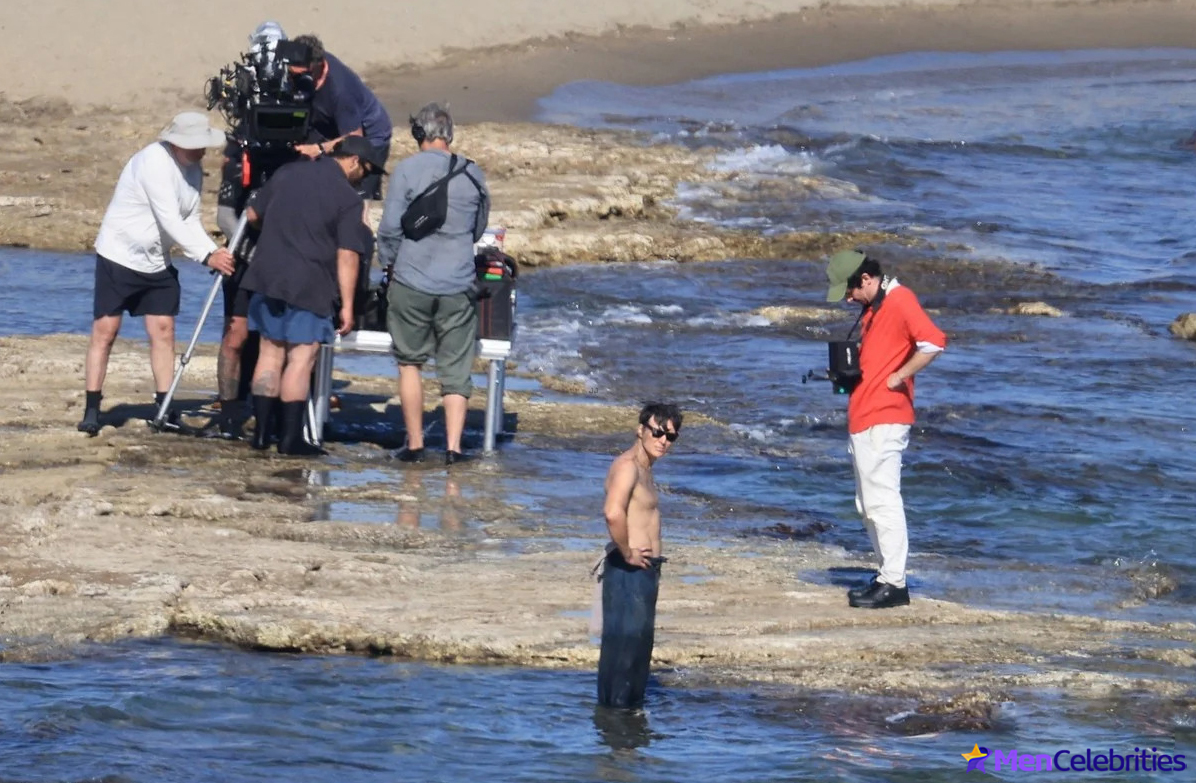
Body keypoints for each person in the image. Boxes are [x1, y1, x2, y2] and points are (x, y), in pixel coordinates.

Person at [77, 111, 236, 436]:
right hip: (119, 255)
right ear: (177, 143)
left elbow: (189, 219)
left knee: (163, 329)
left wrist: (213, 251)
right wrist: (207, 256)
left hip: (156, 260)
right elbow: (169, 219)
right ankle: (92, 409)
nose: (202, 151)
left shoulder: (193, 170)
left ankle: (164, 407)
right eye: (196, 145)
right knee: (106, 330)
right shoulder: (153, 162)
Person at [239, 136, 383, 454]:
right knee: (301, 359)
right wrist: (348, 306)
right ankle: (290, 439)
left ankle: (261, 435)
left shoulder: (288, 172)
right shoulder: (347, 199)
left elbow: (252, 215)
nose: (365, 179)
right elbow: (348, 255)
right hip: (309, 283)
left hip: (267, 275)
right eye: (367, 170)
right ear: (354, 161)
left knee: (269, 354)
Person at [824, 250, 947, 609]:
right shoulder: (875, 307)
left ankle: (894, 583)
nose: (848, 299)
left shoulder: (900, 300)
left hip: (885, 416)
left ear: (866, 279)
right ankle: (885, 576)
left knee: (882, 501)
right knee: (868, 504)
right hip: (866, 415)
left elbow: (934, 342)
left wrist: (899, 376)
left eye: (850, 291)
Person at [376, 103, 490, 465]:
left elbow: (390, 228)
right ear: (449, 135)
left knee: (410, 363)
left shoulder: (406, 170)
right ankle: (454, 449)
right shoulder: (472, 172)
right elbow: (478, 228)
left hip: (411, 279)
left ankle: (415, 445)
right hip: (458, 283)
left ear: (419, 134)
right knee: (456, 371)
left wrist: (389, 264)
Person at [211, 20, 300, 438]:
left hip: (288, 258)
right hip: (246, 257)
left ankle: (284, 410)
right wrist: (247, 251)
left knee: (286, 338)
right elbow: (225, 214)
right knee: (236, 333)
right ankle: (230, 410)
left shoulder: (301, 141)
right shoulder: (240, 145)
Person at [596, 402, 682, 709]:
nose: (663, 440)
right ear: (640, 430)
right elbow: (612, 512)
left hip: (644, 571)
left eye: (670, 436)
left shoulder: (645, 468)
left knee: (637, 652)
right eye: (658, 432)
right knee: (624, 652)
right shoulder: (627, 466)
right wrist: (628, 552)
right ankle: (615, 722)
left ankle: (628, 723)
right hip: (627, 571)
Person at [286, 34, 393, 202]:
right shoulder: (305, 68)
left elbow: (354, 138)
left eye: (302, 75)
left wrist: (318, 149)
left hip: (368, 138)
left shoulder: (341, 91)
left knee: (354, 198)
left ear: (319, 65)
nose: (295, 80)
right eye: (291, 74)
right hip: (329, 125)